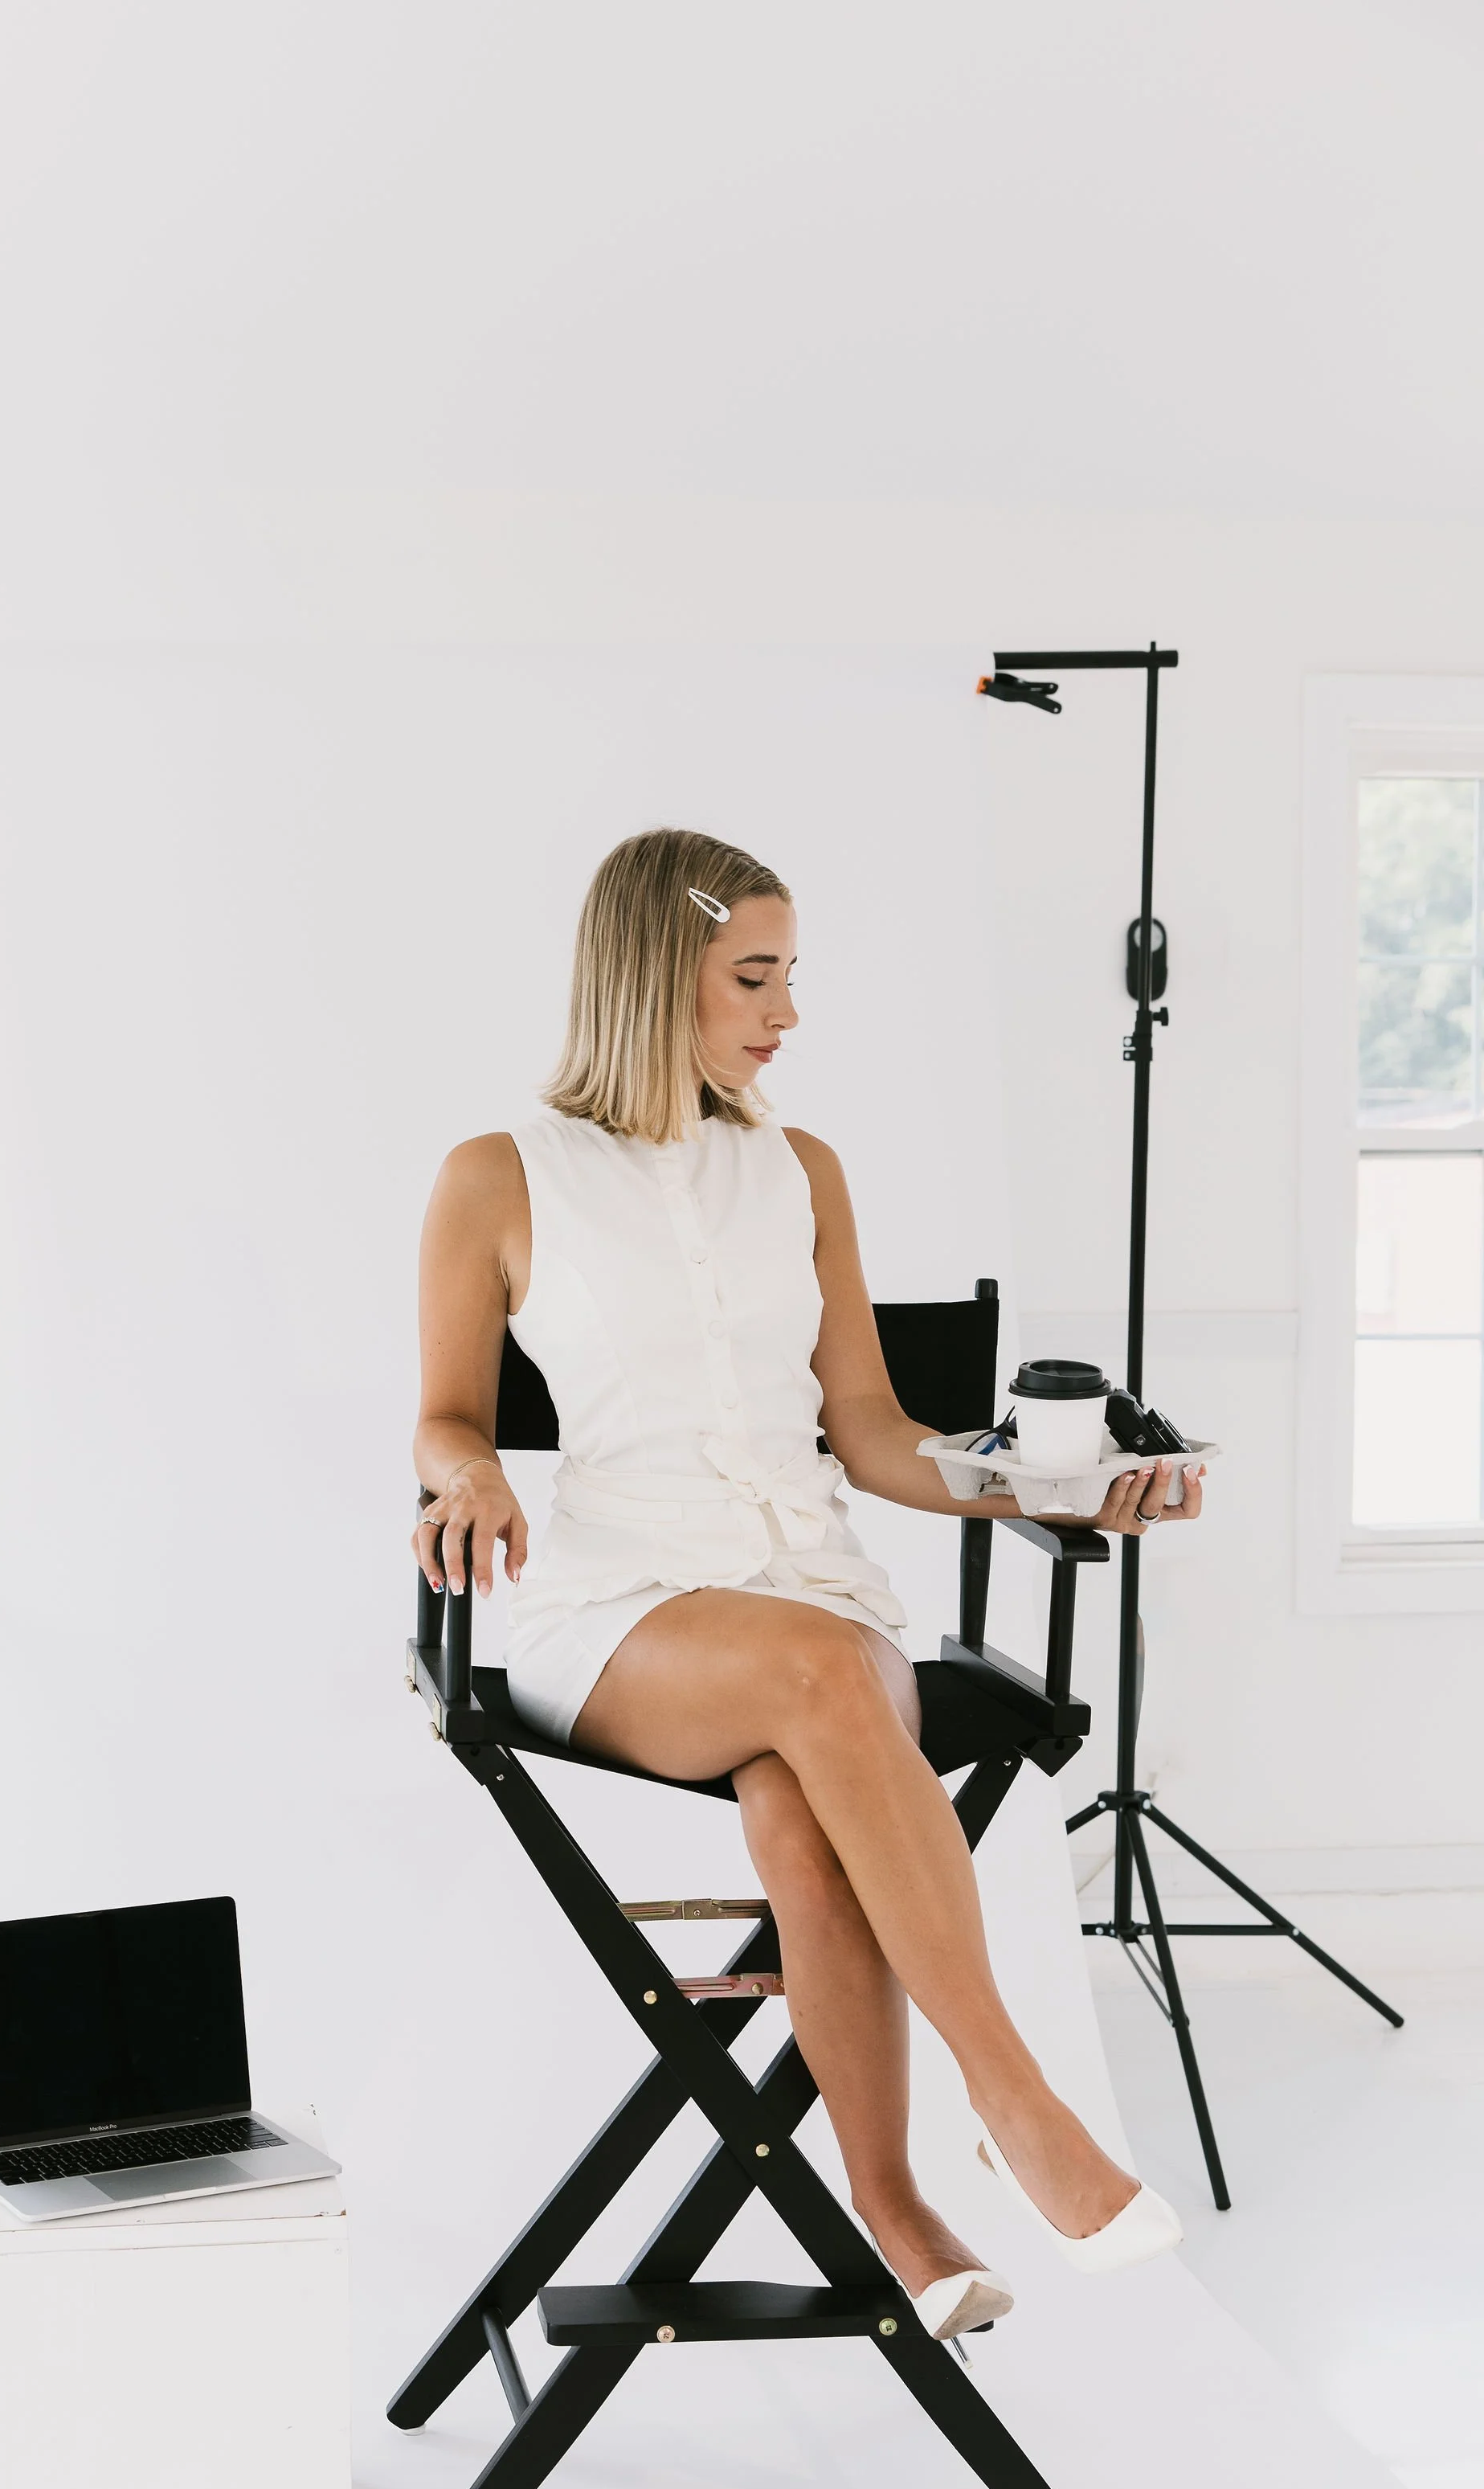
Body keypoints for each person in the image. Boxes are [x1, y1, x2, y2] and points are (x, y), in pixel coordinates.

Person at [412, 827, 1200, 2343]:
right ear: (655, 979)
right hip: (620, 1614)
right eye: (753, 977)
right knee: (825, 1685)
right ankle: (1015, 2097)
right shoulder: (500, 1177)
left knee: (807, 1793)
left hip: (813, 1596)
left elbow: (877, 1437)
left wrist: (1057, 1484)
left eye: (792, 977)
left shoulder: (803, 1172)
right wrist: (473, 1474)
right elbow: (447, 1412)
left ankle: (893, 2205)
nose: (785, 1014)